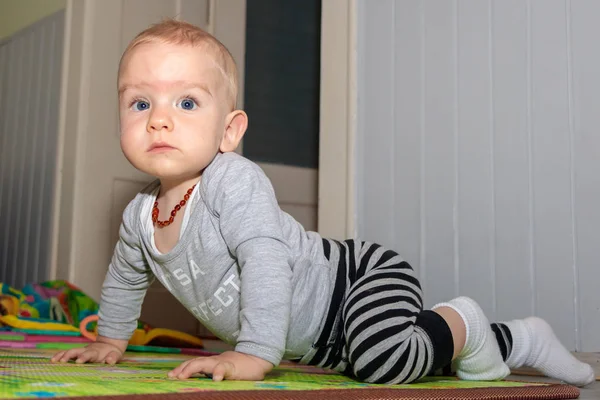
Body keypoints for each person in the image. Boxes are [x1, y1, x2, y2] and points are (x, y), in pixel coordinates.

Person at [51, 19, 594, 387]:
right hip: (319, 341)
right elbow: (126, 280)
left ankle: (488, 330)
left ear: (229, 130)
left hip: (357, 280)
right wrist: (110, 341)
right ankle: (487, 344)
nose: (159, 118)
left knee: (381, 360)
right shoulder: (138, 218)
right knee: (364, 362)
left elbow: (265, 261)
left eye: (187, 101)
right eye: (140, 102)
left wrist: (257, 353)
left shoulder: (231, 182)